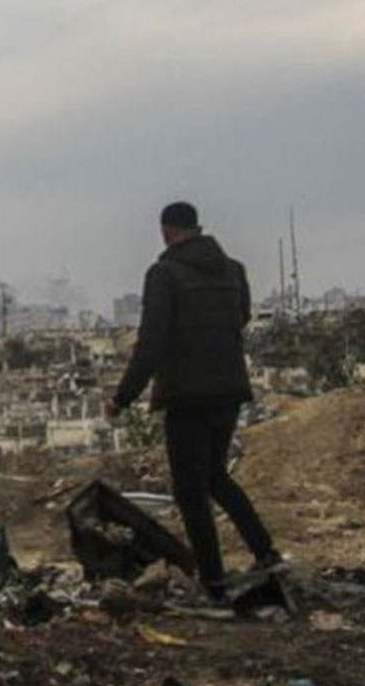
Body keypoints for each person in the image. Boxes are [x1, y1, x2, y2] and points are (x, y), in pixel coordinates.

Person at [109, 201, 283, 605]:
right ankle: (265, 552)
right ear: (197, 227)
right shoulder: (233, 269)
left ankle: (214, 582)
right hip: (229, 388)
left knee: (190, 490)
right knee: (216, 476)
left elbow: (151, 343)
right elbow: (239, 317)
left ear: (166, 232)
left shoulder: (164, 274)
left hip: (186, 394)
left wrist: (123, 397)